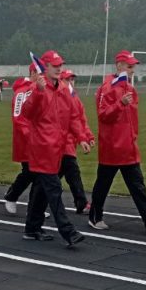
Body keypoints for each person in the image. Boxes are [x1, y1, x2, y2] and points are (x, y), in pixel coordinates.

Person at [89, 51, 146, 233]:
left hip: (127, 146)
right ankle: (95, 216)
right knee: (104, 184)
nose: (133, 70)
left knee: (137, 184)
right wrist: (120, 105)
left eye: (134, 66)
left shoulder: (130, 89)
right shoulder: (107, 87)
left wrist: (132, 136)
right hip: (112, 146)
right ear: (119, 65)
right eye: (129, 66)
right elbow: (103, 115)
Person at [19, 50, 88, 247]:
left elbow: (73, 117)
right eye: (55, 65)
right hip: (42, 148)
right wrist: (39, 92)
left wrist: (81, 137)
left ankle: (31, 228)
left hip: (57, 148)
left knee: (41, 190)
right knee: (54, 189)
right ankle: (68, 231)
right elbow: (27, 113)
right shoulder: (37, 88)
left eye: (60, 65)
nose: (59, 68)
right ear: (45, 67)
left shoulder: (64, 88)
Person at [2, 66, 38, 214]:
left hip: (40, 140)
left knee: (39, 175)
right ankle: (12, 196)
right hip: (26, 141)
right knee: (29, 172)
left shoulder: (40, 90)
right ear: (33, 73)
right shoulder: (21, 92)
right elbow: (18, 118)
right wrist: (30, 136)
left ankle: (35, 206)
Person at [59, 69, 92, 215]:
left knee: (58, 176)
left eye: (72, 79)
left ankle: (81, 202)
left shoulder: (75, 98)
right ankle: (81, 202)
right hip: (60, 142)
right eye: (67, 79)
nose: (71, 82)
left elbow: (81, 120)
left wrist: (87, 137)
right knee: (72, 172)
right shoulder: (59, 97)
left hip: (70, 142)